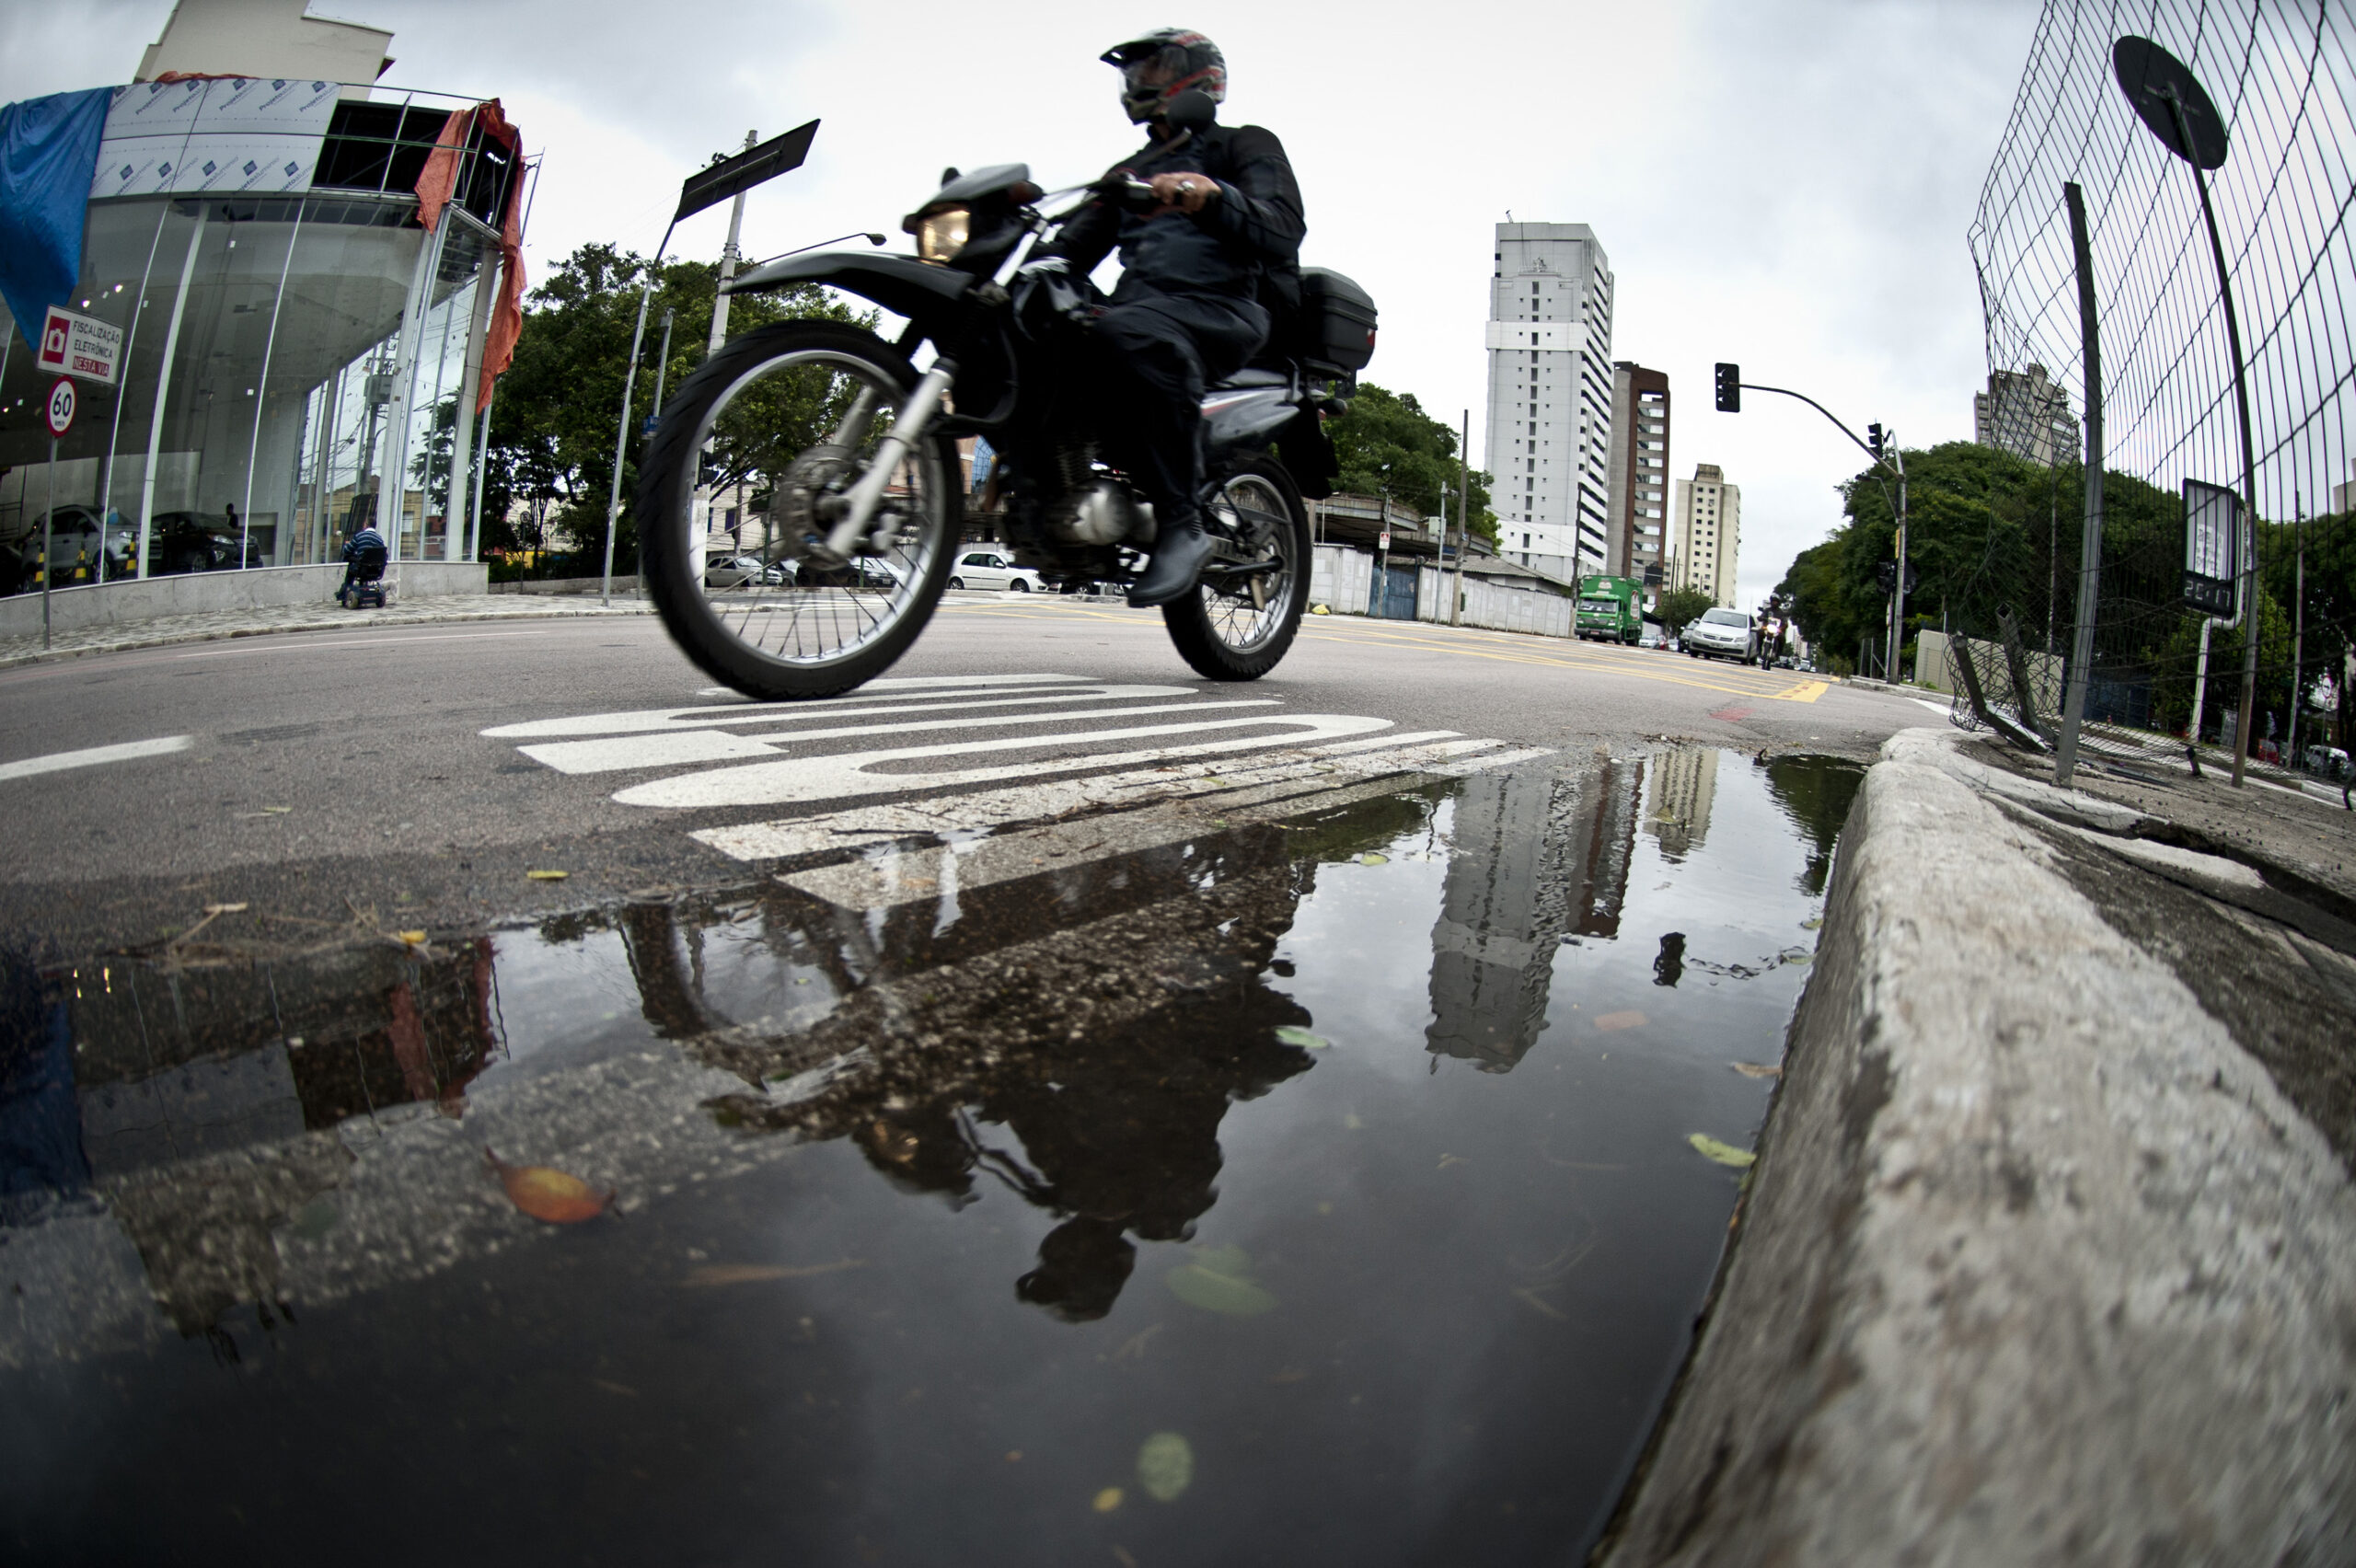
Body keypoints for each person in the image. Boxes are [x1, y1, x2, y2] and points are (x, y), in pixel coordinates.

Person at [1037, 29, 1305, 607]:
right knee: (1039, 326)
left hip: (1223, 308)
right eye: (1134, 73)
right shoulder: (1131, 170)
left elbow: (1283, 226)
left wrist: (1211, 197)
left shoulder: (1243, 145)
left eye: (1153, 68)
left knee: (1128, 330)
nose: (1138, 82)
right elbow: (1071, 248)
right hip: (1145, 307)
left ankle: (1182, 521)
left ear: (1199, 77)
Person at [337, 521, 387, 605]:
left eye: (364, 524)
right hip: (375, 571)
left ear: (366, 525)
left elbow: (346, 550)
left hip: (361, 570)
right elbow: (385, 556)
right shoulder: (379, 539)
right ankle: (377, 593)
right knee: (374, 584)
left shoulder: (359, 536)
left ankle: (344, 593)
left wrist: (347, 545)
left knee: (351, 566)